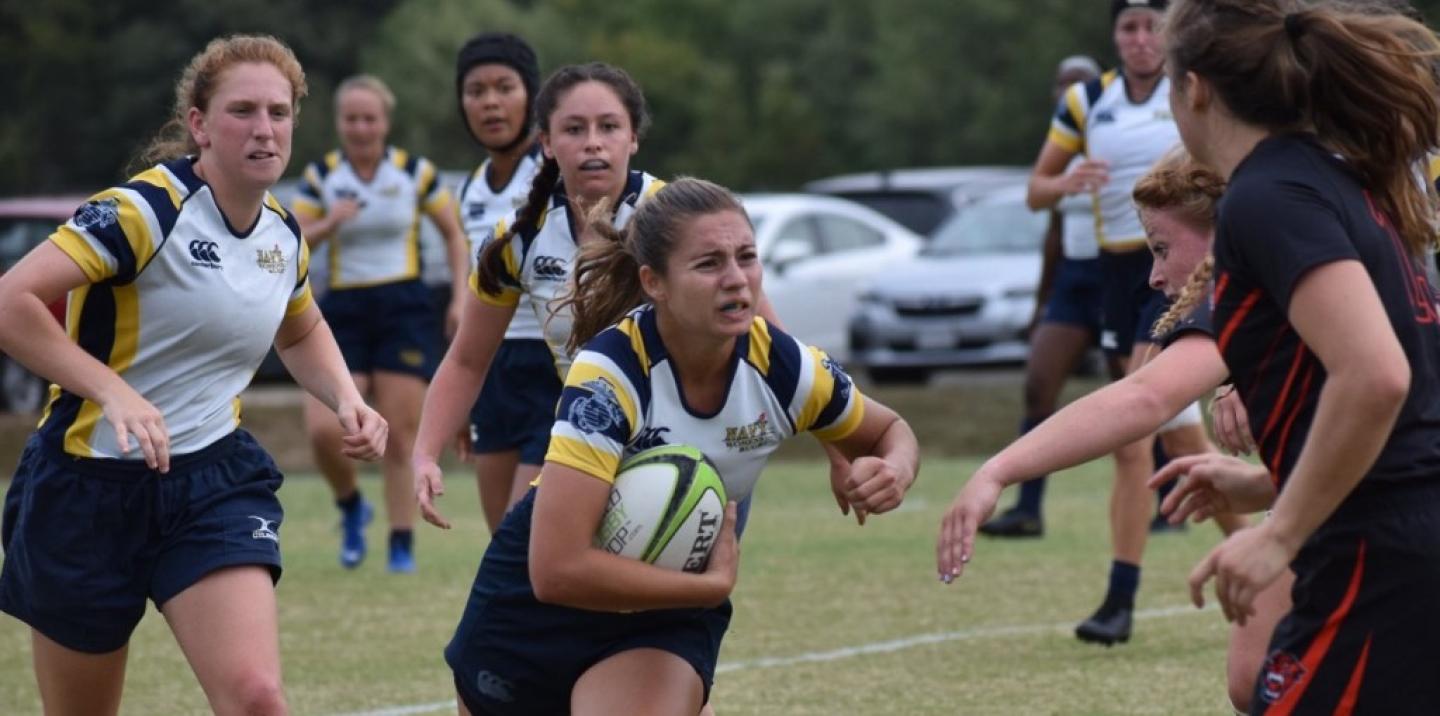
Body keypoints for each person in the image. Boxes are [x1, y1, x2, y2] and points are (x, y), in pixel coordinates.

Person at [947, 2, 1440, 711]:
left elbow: (1377, 377)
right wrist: (1270, 486)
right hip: (1396, 544)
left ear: (1196, 88)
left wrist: (1281, 535)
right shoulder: (1324, 179)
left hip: (1379, 557)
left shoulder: (1267, 198)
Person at [428, 177, 919, 715]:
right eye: (709, 264)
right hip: (534, 611)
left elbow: (890, 429)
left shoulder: (784, 366)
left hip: (663, 613)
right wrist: (709, 589)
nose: (736, 279)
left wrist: (893, 468)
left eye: (747, 257)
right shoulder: (610, 374)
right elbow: (555, 568)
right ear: (654, 282)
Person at [0, 35, 387, 714]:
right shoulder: (141, 212)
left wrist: (346, 398)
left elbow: (301, 328)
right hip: (87, 487)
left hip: (211, 484)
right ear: (200, 125)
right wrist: (113, 390)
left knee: (258, 698)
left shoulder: (282, 233)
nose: (264, 129)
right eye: (243, 111)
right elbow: (12, 303)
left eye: (279, 111)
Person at [942, 147, 1288, 711]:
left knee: (1285, 674)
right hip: (1373, 497)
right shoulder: (1296, 270)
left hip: (1387, 512)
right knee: (1255, 675)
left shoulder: (1250, 283)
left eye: (1161, 248)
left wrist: (998, 470)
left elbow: (1144, 397)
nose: (1153, 275)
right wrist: (1271, 482)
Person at [1021, 0, 1229, 645]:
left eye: (1150, 26)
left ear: (1169, 34)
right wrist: (1067, 182)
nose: (1140, 39)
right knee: (1184, 441)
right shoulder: (1087, 101)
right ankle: (1266, 556)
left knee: (1132, 438)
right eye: (1128, 28)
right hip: (1119, 276)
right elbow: (1036, 189)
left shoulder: (1193, 89)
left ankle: (1120, 600)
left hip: (1175, 268)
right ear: (1114, 37)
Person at [291, 74, 470, 572]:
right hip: (342, 309)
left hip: (404, 307)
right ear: (339, 124)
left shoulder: (414, 172)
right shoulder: (322, 177)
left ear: (385, 122)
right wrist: (330, 222)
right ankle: (350, 506)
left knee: (398, 429)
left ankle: (400, 545)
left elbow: (455, 236)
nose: (361, 127)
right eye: (351, 119)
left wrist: (459, 297)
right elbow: (294, 242)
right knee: (326, 431)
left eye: (370, 118)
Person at [979, 54, 1105, 538]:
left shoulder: (1122, 138)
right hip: (1073, 283)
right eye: (1062, 85)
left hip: (1119, 275)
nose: (1069, 93)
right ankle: (1028, 507)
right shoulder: (1059, 153)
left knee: (1143, 395)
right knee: (1038, 385)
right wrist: (1040, 304)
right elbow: (1053, 230)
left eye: (1080, 83)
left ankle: (1168, 505)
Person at [450, 33, 559, 533]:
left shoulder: (559, 172)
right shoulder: (470, 187)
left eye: (504, 86)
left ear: (531, 96)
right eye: (476, 90)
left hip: (553, 368)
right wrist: (463, 397)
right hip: (494, 373)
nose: (490, 102)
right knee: (503, 544)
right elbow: (476, 305)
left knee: (526, 532)